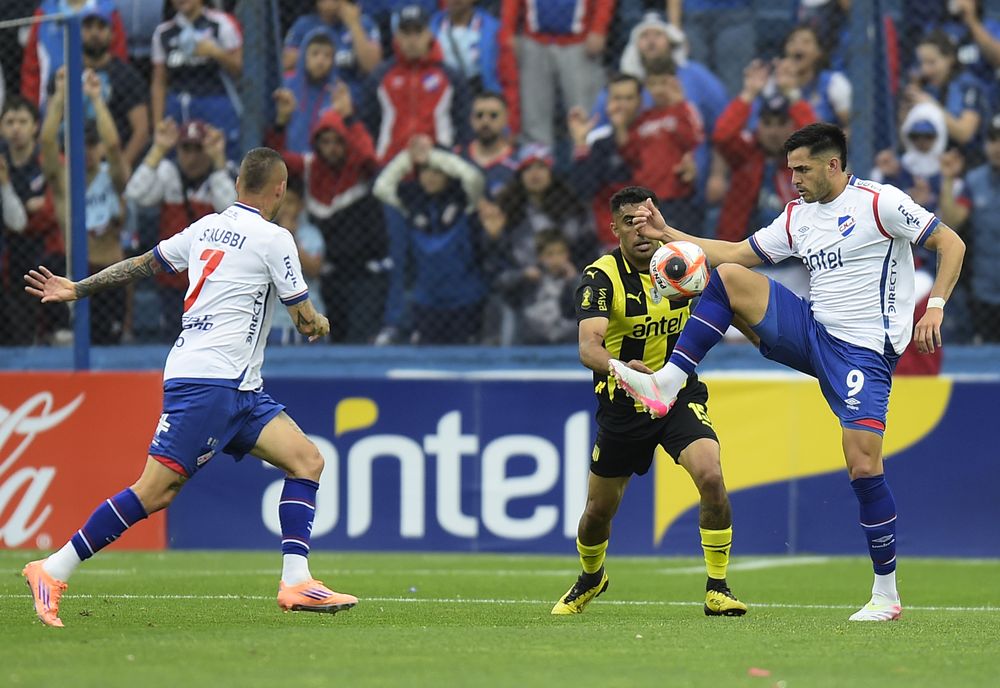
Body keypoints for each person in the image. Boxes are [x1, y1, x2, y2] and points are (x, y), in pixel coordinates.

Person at [609, 123, 966, 621]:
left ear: (833, 164)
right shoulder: (798, 217)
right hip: (814, 331)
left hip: (863, 353)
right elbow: (734, 253)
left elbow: (951, 243)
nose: (793, 178)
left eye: (802, 168)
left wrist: (936, 307)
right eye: (790, 168)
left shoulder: (880, 202)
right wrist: (667, 234)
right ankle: (667, 381)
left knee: (862, 464)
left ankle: (886, 594)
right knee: (729, 278)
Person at [21, 147, 357, 628]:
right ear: (280, 189)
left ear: (238, 184)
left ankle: (297, 581)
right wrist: (320, 321)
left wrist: (79, 288)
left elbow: (141, 264)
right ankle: (52, 568)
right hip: (209, 382)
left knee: (306, 460)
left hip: (238, 386)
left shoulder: (203, 229)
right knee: (154, 492)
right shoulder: (275, 238)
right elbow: (304, 320)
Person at [553, 185, 746, 617]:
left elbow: (733, 298)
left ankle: (718, 588)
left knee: (711, 477)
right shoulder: (601, 276)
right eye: (629, 223)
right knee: (597, 512)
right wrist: (624, 370)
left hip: (677, 393)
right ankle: (591, 576)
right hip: (624, 400)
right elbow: (589, 348)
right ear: (614, 228)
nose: (640, 232)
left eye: (645, 221)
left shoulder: (683, 261)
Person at [123, 118, 237, 338]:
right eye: (186, 149)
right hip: (173, 282)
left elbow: (233, 211)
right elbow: (135, 194)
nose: (192, 157)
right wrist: (158, 150)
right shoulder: (167, 172)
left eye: (198, 149)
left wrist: (218, 163)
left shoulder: (221, 175)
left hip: (212, 284)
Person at [40, 68, 130, 344]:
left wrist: (96, 99)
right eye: (80, 144)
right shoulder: (63, 181)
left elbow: (114, 147)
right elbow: (46, 142)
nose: (86, 150)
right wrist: (58, 99)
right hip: (75, 274)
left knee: (109, 348)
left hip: (110, 274)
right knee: (68, 349)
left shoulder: (112, 178)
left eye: (92, 144)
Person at [362, 4, 469, 163]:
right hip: (390, 165)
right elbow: (369, 124)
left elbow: (464, 125)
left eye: (418, 32)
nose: (412, 40)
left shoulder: (451, 77)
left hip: (438, 168)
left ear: (429, 34)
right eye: (406, 33)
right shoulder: (379, 77)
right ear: (397, 36)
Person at [151, 0, 244, 161]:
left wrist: (216, 52)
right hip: (178, 107)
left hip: (216, 103)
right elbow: (159, 82)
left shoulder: (221, 24)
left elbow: (240, 69)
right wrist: (158, 122)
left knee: (223, 160)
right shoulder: (163, 32)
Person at [282, 0, 383, 105]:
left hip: (353, 100)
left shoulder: (363, 23)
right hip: (311, 98)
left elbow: (373, 67)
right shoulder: (304, 25)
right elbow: (286, 63)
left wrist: (354, 25)